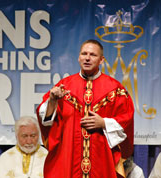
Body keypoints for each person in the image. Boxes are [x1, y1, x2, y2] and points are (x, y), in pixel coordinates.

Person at [36, 39, 134, 178]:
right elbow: (46, 121)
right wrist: (52, 100)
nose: (87, 58)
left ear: (101, 60)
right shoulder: (65, 86)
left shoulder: (115, 89)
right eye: (84, 54)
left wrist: (104, 123)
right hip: (69, 157)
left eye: (93, 55)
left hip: (101, 158)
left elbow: (127, 119)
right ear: (78, 57)